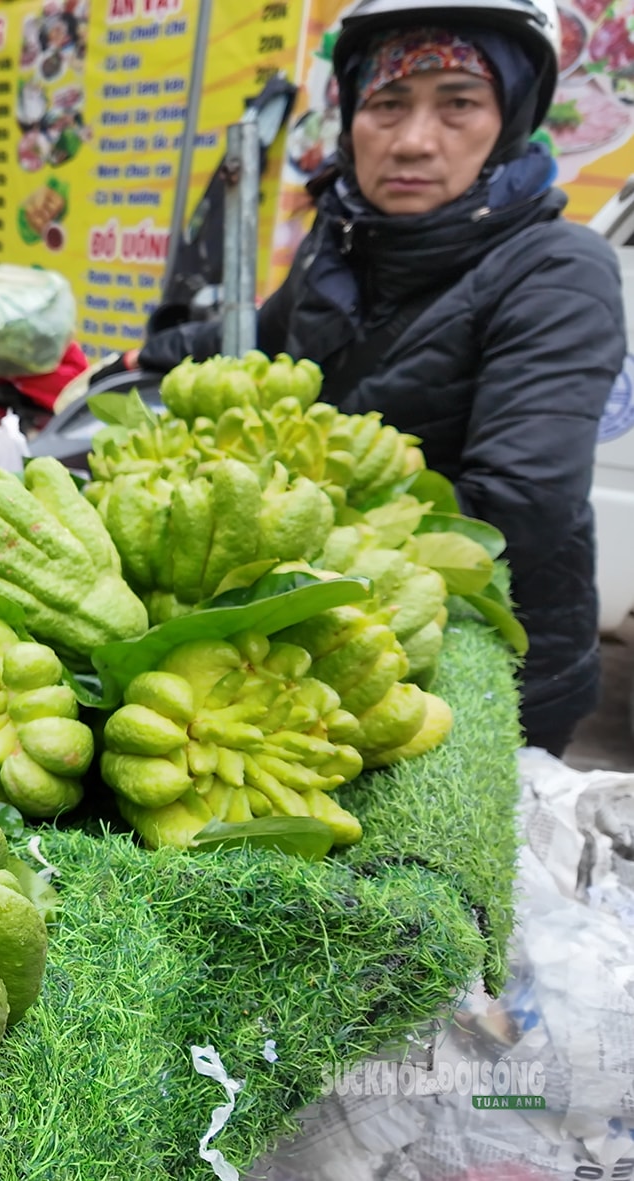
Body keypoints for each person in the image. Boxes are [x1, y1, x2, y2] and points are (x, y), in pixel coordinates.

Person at [130, 0, 623, 757]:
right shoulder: (342, 247)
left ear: (511, 119)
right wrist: (140, 356)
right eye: (387, 105)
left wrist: (284, 522)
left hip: (481, 661)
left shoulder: (558, 272)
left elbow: (516, 509)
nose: (414, 141)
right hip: (331, 639)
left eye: (459, 103)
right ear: (353, 117)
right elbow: (262, 339)